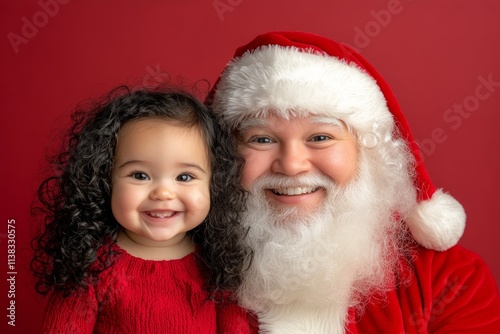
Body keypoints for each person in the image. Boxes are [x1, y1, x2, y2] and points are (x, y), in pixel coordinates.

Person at [206, 31, 500, 333]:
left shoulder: (451, 280)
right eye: (261, 139)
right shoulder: (177, 271)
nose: (292, 165)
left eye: (321, 137)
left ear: (366, 151)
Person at [31, 85, 252, 333]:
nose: (163, 193)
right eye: (140, 175)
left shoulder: (218, 267)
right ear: (105, 179)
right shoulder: (91, 269)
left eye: (185, 177)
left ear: (214, 184)